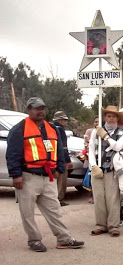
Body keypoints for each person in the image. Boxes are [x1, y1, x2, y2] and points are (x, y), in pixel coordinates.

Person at [6, 97, 84, 251]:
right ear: (28, 110)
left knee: (54, 209)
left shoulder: (51, 129)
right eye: (36, 108)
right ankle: (34, 240)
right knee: (27, 212)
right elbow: (12, 154)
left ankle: (64, 239)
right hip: (28, 177)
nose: (40, 111)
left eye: (42, 108)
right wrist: (16, 175)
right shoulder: (18, 129)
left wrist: (59, 169)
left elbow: (59, 151)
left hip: (48, 177)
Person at [89, 106, 123, 237]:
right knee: (99, 198)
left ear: (117, 118)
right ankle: (100, 224)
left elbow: (117, 146)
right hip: (98, 169)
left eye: (114, 116)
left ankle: (113, 225)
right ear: (105, 117)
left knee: (113, 198)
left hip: (113, 169)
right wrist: (94, 166)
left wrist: (105, 136)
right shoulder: (96, 131)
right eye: (108, 116)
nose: (111, 118)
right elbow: (91, 149)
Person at [51, 111, 74, 206]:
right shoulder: (60, 129)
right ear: (60, 120)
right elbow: (63, 146)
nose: (66, 122)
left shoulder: (50, 128)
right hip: (61, 158)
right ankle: (59, 199)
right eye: (65, 120)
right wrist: (67, 160)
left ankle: (53, 198)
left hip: (52, 157)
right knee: (62, 179)